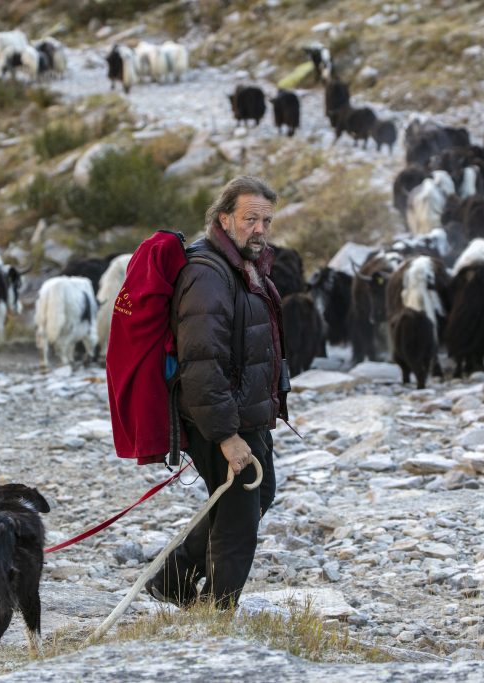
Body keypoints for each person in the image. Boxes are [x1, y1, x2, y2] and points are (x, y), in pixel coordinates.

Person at [146, 175, 288, 609]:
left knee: (257, 495)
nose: (260, 229)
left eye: (266, 219)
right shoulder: (207, 275)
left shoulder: (243, 266)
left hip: (245, 414)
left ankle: (171, 581)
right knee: (238, 519)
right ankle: (219, 614)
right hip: (219, 418)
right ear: (224, 218)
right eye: (250, 219)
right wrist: (227, 436)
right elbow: (202, 363)